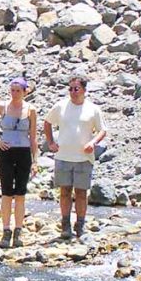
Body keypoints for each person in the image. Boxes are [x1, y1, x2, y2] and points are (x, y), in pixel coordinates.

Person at [0, 78, 39, 248]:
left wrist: (35, 161)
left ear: (26, 92)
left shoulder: (31, 110)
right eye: (12, 90)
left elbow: (33, 137)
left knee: (20, 193)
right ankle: (6, 231)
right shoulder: (2, 107)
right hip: (6, 152)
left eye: (18, 91)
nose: (15, 94)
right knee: (6, 193)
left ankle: (18, 231)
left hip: (23, 152)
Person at [42, 75, 106, 240]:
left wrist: (93, 142)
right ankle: (65, 225)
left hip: (84, 157)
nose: (72, 92)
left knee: (81, 193)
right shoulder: (60, 106)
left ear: (84, 90)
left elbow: (102, 130)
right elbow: (47, 122)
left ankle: (80, 224)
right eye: (70, 89)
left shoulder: (93, 109)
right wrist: (50, 142)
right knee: (64, 191)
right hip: (63, 156)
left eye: (76, 88)